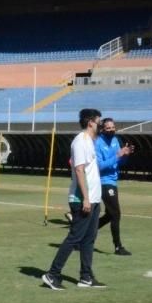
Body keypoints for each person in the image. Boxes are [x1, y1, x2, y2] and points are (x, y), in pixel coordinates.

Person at [42, 108, 106, 290]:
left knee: (89, 239)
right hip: (81, 199)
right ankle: (52, 274)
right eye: (98, 121)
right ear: (90, 122)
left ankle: (86, 277)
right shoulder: (80, 141)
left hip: (93, 199)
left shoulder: (92, 142)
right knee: (75, 237)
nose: (100, 125)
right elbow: (79, 170)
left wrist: (93, 198)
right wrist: (86, 198)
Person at [96, 117, 135, 255]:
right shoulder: (98, 143)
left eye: (113, 127)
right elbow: (99, 166)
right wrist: (118, 155)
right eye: (108, 128)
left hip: (113, 181)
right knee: (116, 214)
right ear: (102, 129)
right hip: (103, 182)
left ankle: (86, 234)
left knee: (109, 214)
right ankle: (118, 246)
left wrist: (126, 154)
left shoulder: (115, 140)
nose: (111, 130)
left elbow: (120, 162)